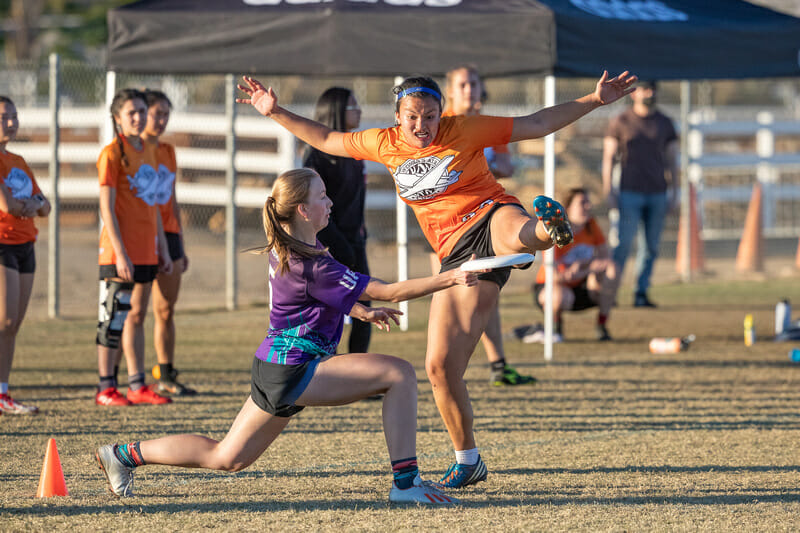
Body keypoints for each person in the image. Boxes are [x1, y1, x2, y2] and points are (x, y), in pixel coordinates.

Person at [236, 69, 636, 488]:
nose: (422, 125)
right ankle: (469, 460)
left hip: (491, 213)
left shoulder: (463, 129)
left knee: (512, 230)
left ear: (441, 113)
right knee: (439, 368)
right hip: (454, 254)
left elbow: (536, 124)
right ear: (397, 115)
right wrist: (275, 110)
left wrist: (594, 100)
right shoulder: (383, 142)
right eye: (412, 116)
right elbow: (326, 139)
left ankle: (546, 229)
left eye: (429, 116)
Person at [95, 168, 479, 504]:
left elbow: (313, 298)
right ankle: (406, 483)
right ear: (303, 210)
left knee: (227, 457)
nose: (330, 202)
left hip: (274, 367)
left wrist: (359, 309)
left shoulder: (289, 248)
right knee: (399, 374)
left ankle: (123, 455)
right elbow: (387, 289)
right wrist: (451, 276)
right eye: (322, 196)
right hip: (296, 370)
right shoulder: (312, 262)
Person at [440, 64, 534, 387]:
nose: (469, 90)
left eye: (474, 84)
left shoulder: (490, 125)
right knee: (453, 299)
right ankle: (447, 371)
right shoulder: (439, 124)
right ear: (450, 91)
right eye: (462, 84)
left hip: (485, 220)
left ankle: (497, 365)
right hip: (449, 226)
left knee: (487, 295)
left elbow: (507, 165)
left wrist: (488, 162)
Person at [95, 88, 173, 407]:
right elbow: (106, 207)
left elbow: (152, 206)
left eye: (142, 111)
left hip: (146, 250)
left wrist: (163, 249)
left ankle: (136, 384)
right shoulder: (112, 153)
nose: (139, 118)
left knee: (135, 318)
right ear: (117, 118)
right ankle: (105, 387)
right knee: (113, 317)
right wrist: (121, 253)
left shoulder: (148, 150)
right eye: (132, 113)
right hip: (119, 253)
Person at [302, 87, 371, 354]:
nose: (359, 111)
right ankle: (323, 374)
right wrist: (339, 246)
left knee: (365, 310)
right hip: (330, 246)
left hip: (356, 242)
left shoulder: (354, 150)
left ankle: (359, 374)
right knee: (330, 313)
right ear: (336, 112)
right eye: (353, 107)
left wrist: (359, 235)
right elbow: (311, 208)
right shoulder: (316, 158)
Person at [602, 80, 678, 308]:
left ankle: (641, 292)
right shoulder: (621, 120)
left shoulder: (665, 123)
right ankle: (611, 292)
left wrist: (675, 191)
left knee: (651, 246)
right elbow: (608, 158)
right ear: (634, 94)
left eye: (653, 89)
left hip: (657, 193)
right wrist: (609, 190)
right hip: (629, 193)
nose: (650, 93)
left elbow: (673, 160)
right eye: (645, 89)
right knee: (623, 244)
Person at [142, 89, 196, 396]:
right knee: (135, 312)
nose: (161, 120)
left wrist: (181, 243)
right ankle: (131, 378)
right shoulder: (135, 151)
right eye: (156, 113)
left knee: (166, 310)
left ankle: (165, 373)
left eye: (166, 114)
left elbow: (171, 198)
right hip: (143, 234)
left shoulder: (168, 151)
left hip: (170, 234)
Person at [0, 96, 51, 415]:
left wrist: (33, 205)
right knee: (4, 318)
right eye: (4, 117)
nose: (11, 122)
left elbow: (45, 205)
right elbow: (7, 205)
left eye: (14, 116)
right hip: (2, 242)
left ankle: (3, 393)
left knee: (13, 324)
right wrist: (30, 205)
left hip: (25, 243)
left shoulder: (18, 160)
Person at [529, 187, 616, 343]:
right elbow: (555, 277)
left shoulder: (591, 225)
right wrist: (585, 269)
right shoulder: (555, 229)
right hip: (552, 288)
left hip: (580, 286)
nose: (588, 207)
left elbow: (605, 257)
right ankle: (555, 328)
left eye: (588, 202)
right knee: (560, 296)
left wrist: (586, 268)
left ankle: (602, 325)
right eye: (582, 203)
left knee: (612, 269)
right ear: (568, 208)